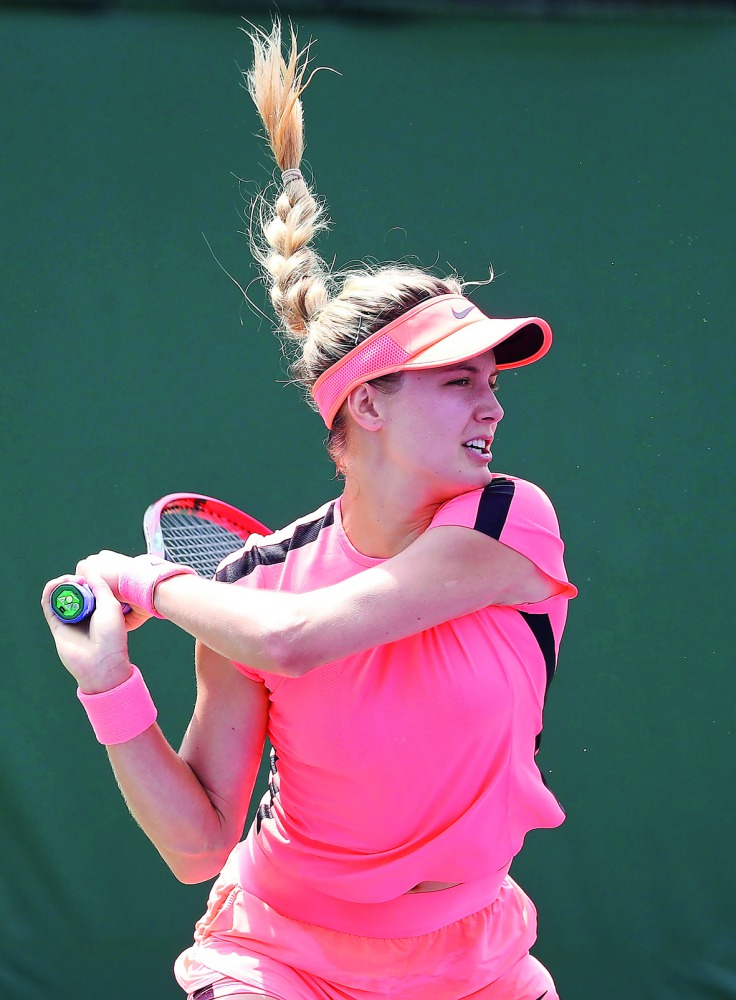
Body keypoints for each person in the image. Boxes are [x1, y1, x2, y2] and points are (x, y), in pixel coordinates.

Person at [41, 21, 576, 1000]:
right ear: (367, 403)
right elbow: (198, 843)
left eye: (492, 381)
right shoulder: (245, 590)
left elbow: (295, 641)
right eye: (457, 381)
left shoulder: (511, 523)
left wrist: (154, 584)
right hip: (281, 957)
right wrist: (109, 682)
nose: (492, 404)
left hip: (475, 962)